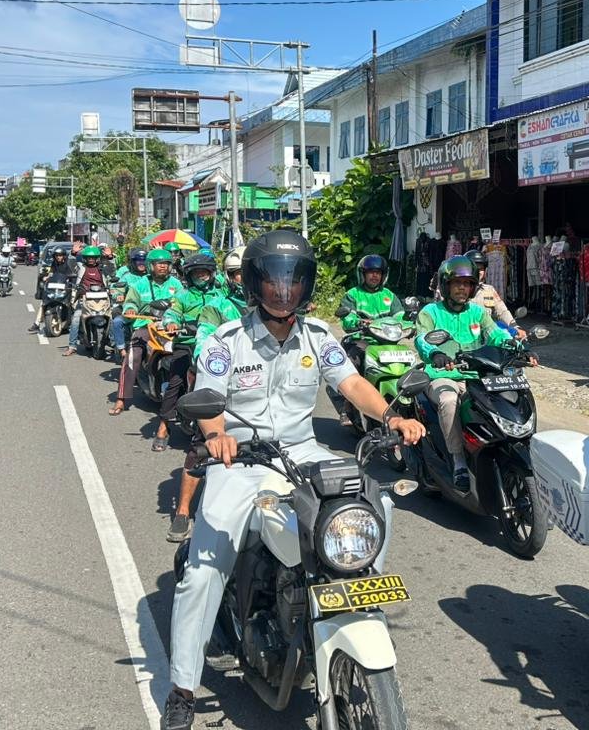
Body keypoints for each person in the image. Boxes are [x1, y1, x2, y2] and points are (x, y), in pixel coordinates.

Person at [163, 230, 426, 730]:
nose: (284, 292)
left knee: (372, 507)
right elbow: (210, 400)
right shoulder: (226, 341)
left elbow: (350, 384)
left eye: (294, 281)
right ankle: (181, 687)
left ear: (305, 285)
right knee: (203, 570)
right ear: (256, 284)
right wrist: (217, 436)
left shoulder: (318, 337)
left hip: (304, 454)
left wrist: (392, 415)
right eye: (274, 281)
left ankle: (339, 604)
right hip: (241, 458)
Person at [414, 255, 516, 491]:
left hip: (477, 376)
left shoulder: (479, 312)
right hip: (442, 375)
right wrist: (435, 354)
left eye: (468, 283)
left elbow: (496, 334)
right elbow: (421, 339)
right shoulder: (430, 312)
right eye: (457, 283)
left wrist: (517, 345)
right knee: (449, 401)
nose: (462, 288)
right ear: (445, 285)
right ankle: (459, 460)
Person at [161, 252, 244, 540]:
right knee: (202, 446)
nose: (245, 280)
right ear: (231, 278)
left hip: (258, 390)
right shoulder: (218, 306)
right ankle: (183, 511)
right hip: (223, 382)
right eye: (239, 274)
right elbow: (204, 343)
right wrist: (214, 370)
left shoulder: (275, 310)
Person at [153, 250, 242, 454]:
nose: (201, 276)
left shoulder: (221, 296)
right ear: (189, 276)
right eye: (196, 273)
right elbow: (171, 313)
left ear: (212, 274)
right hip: (188, 343)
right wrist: (172, 323)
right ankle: (163, 427)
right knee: (176, 381)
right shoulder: (183, 296)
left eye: (204, 272)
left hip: (220, 346)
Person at [112, 248, 185, 416]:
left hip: (170, 327)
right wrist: (130, 310)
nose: (163, 267)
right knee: (133, 355)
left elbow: (183, 304)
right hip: (146, 326)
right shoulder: (140, 284)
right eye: (159, 264)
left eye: (166, 264)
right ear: (150, 265)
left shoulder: (176, 284)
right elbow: (130, 303)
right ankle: (121, 398)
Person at [467, 248, 526, 340]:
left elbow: (501, 311)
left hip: (488, 336)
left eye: (481, 269)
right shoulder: (460, 291)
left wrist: (515, 327)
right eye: (474, 268)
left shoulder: (489, 290)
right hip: (464, 336)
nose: (478, 272)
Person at [63, 246, 113, 355]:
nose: (91, 260)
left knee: (112, 317)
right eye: (89, 258)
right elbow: (71, 263)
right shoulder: (81, 267)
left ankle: (114, 343)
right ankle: (72, 346)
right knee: (76, 319)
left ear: (97, 258)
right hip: (83, 300)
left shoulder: (102, 268)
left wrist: (110, 257)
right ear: (85, 258)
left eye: (93, 258)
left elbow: (112, 268)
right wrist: (73, 253)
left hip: (102, 300)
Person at [337, 254, 403, 334]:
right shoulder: (352, 294)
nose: (375, 275)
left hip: (387, 338)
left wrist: (408, 325)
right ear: (363, 274)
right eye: (371, 272)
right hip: (360, 338)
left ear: (383, 276)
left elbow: (399, 316)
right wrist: (359, 322)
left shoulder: (389, 295)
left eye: (378, 272)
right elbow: (348, 319)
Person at [110, 248, 148, 361]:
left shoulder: (151, 277)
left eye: (144, 261)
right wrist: (118, 296)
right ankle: (121, 349)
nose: (142, 264)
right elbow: (116, 289)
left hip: (151, 312)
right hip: (130, 310)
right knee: (117, 321)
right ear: (133, 262)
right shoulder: (127, 276)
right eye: (138, 261)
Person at [28, 247, 75, 333]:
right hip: (56, 288)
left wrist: (72, 278)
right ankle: (37, 323)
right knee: (43, 303)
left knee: (74, 303)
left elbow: (72, 269)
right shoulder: (54, 263)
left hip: (67, 287)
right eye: (57, 255)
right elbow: (51, 273)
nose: (58, 257)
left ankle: (76, 325)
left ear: (64, 256)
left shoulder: (68, 263)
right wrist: (47, 277)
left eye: (60, 255)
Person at [221, 247, 246, 311]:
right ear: (230, 277)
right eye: (240, 272)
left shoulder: (270, 304)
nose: (246, 276)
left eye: (251, 272)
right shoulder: (220, 308)